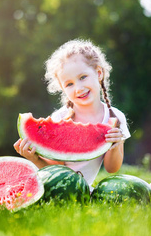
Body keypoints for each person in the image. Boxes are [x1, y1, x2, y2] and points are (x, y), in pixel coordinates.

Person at [13, 39, 130, 189]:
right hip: (53, 188)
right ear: (62, 88)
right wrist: (34, 158)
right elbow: (55, 171)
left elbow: (111, 168)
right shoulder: (60, 118)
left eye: (82, 77)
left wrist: (116, 144)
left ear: (99, 73)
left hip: (82, 190)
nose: (79, 88)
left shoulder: (115, 118)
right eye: (69, 84)